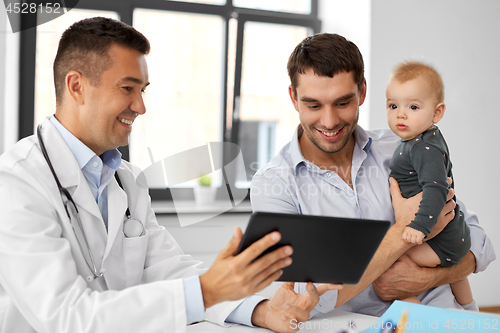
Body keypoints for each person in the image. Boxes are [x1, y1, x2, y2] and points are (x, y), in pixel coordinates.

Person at [0, 18, 342, 333]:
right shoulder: (17, 182)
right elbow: (67, 316)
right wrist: (208, 290)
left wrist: (262, 310)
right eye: (127, 88)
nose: (141, 106)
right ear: (77, 86)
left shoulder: (126, 180)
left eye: (142, 90)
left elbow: (171, 270)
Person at [250, 33, 496, 317]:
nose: (329, 122)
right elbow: (310, 297)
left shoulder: (403, 148)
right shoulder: (274, 185)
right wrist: (402, 233)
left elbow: (479, 243)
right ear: (293, 97)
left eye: (342, 103)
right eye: (314, 105)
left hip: (447, 319)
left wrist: (428, 278)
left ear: (362, 92)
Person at [385, 60, 476, 310]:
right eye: (393, 105)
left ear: (436, 113)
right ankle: (470, 309)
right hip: (454, 234)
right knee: (456, 272)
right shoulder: (422, 139)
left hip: (440, 238)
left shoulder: (424, 148)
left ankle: (416, 314)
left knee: (391, 265)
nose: (400, 114)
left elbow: (437, 189)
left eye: (413, 106)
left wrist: (419, 226)